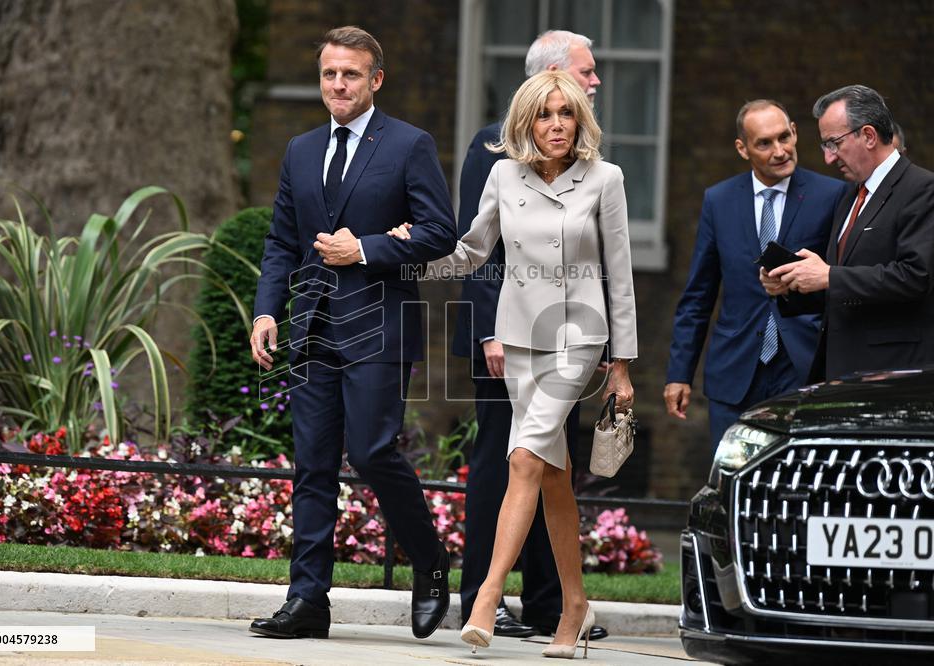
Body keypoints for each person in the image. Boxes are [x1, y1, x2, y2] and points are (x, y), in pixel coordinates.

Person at [388, 70, 636, 658]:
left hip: (578, 340)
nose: (557, 125)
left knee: (523, 458)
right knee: (553, 477)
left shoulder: (606, 179)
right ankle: (573, 606)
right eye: (545, 114)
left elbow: (620, 276)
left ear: (581, 120)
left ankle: (486, 599)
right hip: (519, 339)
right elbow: (474, 248)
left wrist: (621, 365)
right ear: (526, 122)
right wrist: (406, 257)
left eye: (566, 114)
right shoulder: (504, 173)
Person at [247, 26, 457, 641]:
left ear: (375, 80)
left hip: (379, 326)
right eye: (329, 74)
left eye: (351, 75)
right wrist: (266, 313)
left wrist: (362, 249)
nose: (338, 84)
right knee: (312, 465)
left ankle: (429, 560)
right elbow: (282, 240)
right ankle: (308, 600)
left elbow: (440, 233)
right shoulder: (300, 149)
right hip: (312, 328)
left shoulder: (409, 145)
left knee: (369, 452)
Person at [452, 29, 607, 641]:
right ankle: (478, 598)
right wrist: (492, 333)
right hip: (505, 339)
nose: (595, 81)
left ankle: (548, 605)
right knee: (501, 460)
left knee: (553, 465)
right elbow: (480, 252)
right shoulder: (491, 146)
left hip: (566, 338)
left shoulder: (583, 155)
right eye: (585, 71)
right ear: (546, 76)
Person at [665, 100, 845, 450]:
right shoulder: (718, 201)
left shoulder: (830, 195)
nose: (780, 151)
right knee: (732, 477)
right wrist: (679, 374)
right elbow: (698, 296)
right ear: (742, 149)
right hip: (735, 368)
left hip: (802, 366)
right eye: (764, 143)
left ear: (794, 131)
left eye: (784, 137)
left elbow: (840, 281)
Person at [762, 84, 934, 381]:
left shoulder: (922, 189)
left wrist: (828, 275)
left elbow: (915, 277)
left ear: (868, 136)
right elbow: (844, 292)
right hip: (839, 371)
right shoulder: (850, 195)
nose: (829, 158)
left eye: (833, 143)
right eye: (825, 146)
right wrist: (793, 284)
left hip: (890, 375)